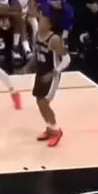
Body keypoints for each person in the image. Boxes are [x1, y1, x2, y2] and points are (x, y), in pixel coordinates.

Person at [24, 11, 70, 147]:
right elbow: (37, 54)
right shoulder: (37, 36)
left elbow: (67, 59)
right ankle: (50, 129)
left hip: (51, 74)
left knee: (44, 103)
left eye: (43, 21)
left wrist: (54, 73)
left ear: (49, 25)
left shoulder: (54, 39)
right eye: (39, 20)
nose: (39, 23)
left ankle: (56, 130)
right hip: (41, 73)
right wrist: (28, 66)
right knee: (39, 102)